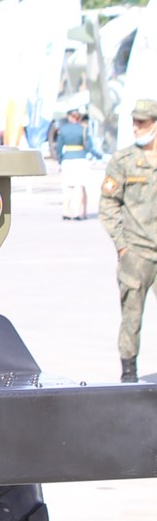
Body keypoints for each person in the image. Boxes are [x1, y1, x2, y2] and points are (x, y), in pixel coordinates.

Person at [99, 99, 157, 382]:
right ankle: (128, 374)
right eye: (134, 122)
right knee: (131, 317)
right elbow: (108, 206)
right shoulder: (122, 161)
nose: (136, 127)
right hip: (136, 253)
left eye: (142, 122)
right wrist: (122, 245)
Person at [50, 104, 95, 219]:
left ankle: (66, 211)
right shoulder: (83, 129)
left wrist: (59, 160)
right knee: (80, 186)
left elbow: (59, 147)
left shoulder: (63, 130)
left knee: (67, 187)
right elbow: (89, 146)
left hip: (67, 158)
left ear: (69, 117)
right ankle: (79, 212)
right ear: (78, 117)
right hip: (80, 157)